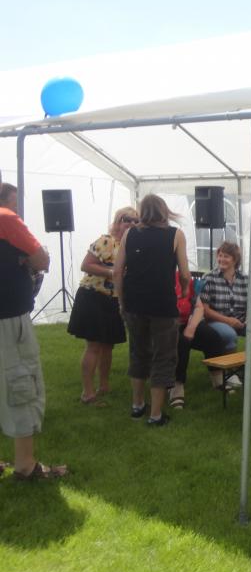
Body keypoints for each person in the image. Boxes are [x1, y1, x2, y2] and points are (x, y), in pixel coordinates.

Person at [0, 183, 67, 479]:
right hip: (8, 318)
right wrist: (24, 258)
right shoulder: (5, 218)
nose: (17, 210)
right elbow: (42, 259)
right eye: (15, 204)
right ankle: (26, 466)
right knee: (21, 382)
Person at [114, 194, 191, 427]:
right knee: (163, 356)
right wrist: (184, 291)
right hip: (163, 304)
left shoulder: (129, 234)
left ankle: (137, 405)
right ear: (164, 211)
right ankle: (156, 415)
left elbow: (117, 271)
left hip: (134, 302)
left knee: (138, 353)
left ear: (142, 212)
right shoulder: (175, 235)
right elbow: (185, 273)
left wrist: (121, 300)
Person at [67, 207, 139, 405]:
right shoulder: (106, 241)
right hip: (93, 296)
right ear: (118, 221)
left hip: (113, 300)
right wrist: (112, 272)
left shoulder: (131, 245)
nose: (131, 224)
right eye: (127, 219)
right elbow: (86, 265)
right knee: (94, 346)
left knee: (108, 345)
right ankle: (88, 393)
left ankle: (104, 386)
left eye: (136, 221)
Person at [200, 241, 251, 380]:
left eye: (226, 256)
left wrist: (247, 319)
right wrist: (228, 321)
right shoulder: (209, 278)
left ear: (235, 260)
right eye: (220, 255)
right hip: (215, 321)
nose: (221, 259)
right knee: (229, 334)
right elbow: (205, 310)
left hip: (241, 320)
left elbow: (250, 304)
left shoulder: (245, 279)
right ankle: (230, 374)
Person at [171, 272, 229, 408]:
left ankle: (217, 379)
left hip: (187, 322)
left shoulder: (183, 278)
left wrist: (191, 328)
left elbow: (199, 307)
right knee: (181, 343)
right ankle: (176, 385)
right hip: (166, 325)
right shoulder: (160, 279)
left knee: (213, 337)